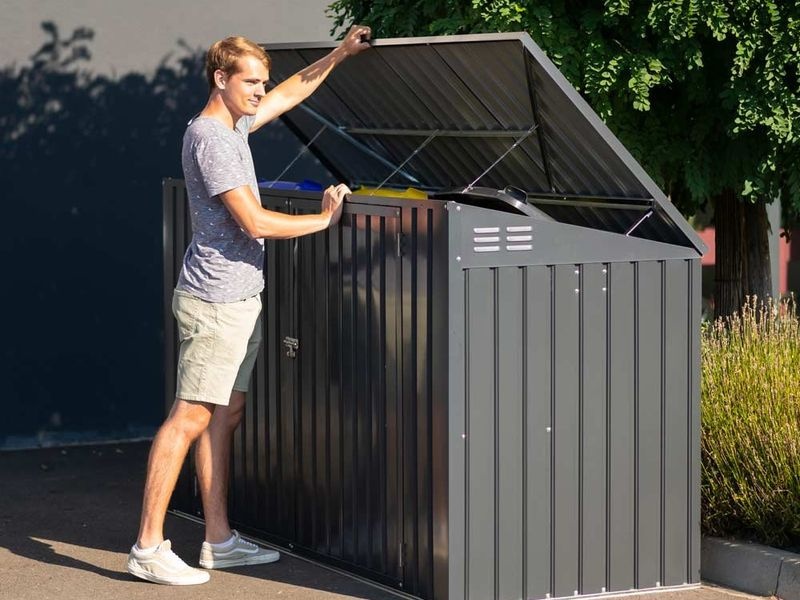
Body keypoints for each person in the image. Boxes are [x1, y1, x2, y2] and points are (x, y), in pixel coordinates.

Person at [126, 25, 372, 585]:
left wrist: (339, 54)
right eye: (251, 82)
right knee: (190, 417)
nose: (261, 91)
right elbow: (254, 222)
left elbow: (288, 94)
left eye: (262, 81)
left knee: (224, 415)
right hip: (214, 301)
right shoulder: (212, 139)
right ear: (221, 79)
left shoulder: (235, 124)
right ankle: (147, 547)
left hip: (240, 297)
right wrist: (323, 221)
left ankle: (219, 541)